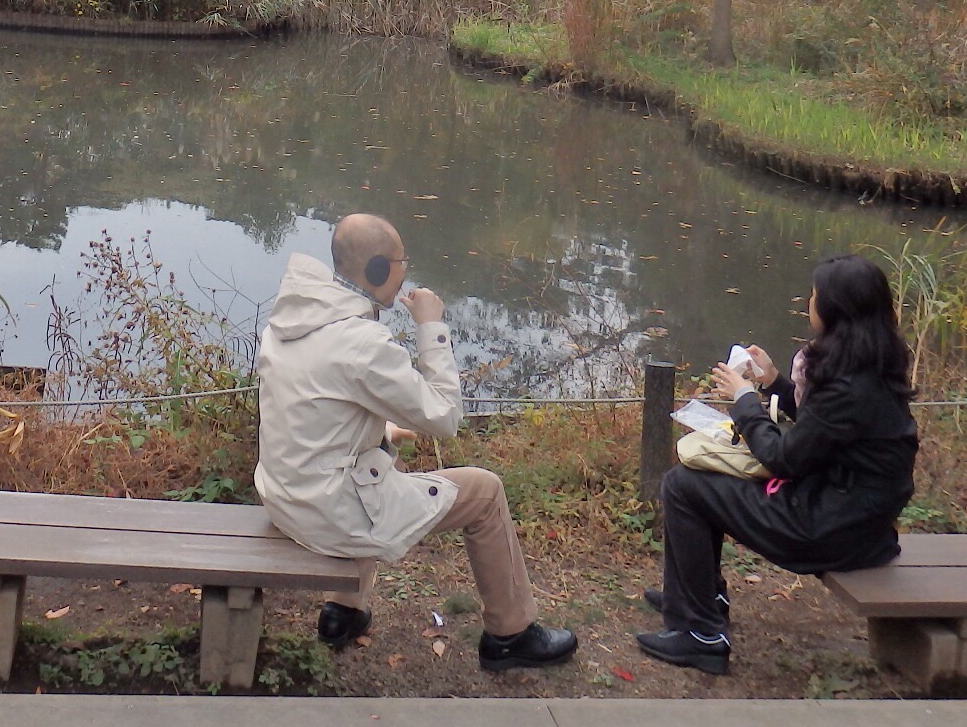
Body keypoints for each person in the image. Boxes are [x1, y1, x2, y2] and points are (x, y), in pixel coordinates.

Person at [255, 212, 579, 672]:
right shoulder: (361, 342)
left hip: (284, 497)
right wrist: (431, 327)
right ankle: (511, 634)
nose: (405, 271)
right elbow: (445, 417)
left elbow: (312, 417)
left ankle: (342, 612)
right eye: (401, 262)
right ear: (378, 271)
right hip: (326, 513)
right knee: (485, 492)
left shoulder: (289, 323)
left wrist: (384, 432)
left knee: (378, 461)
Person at [635, 253, 920, 676]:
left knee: (682, 485)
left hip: (826, 530)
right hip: (860, 525)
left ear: (835, 310)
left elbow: (784, 459)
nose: (809, 302)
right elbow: (821, 434)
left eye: (815, 296)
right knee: (698, 479)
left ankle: (701, 635)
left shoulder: (850, 386)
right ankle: (701, 598)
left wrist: (745, 400)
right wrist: (775, 383)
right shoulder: (871, 368)